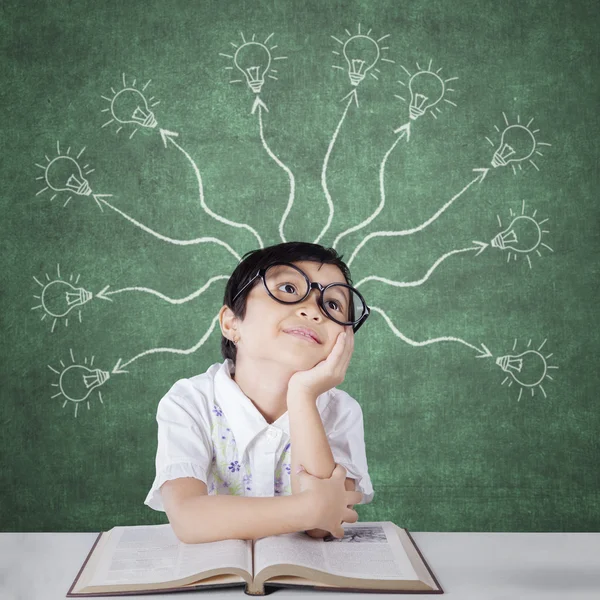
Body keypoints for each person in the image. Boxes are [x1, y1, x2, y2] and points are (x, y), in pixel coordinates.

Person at [144, 241, 374, 543]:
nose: (313, 311)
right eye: (289, 289)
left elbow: (323, 528)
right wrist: (313, 506)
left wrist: (303, 395)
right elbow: (188, 519)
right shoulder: (190, 402)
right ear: (231, 323)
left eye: (332, 304)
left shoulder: (340, 411)